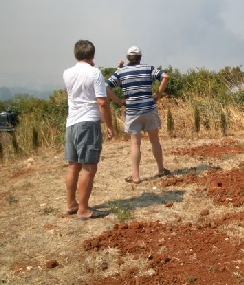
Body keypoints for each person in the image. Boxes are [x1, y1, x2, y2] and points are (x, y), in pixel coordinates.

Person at [63, 40, 114, 219]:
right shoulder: (95, 73)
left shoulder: (67, 73)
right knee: (89, 167)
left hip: (71, 124)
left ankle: (71, 204)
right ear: (92, 55)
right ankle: (83, 209)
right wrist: (109, 125)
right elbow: (102, 101)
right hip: (88, 122)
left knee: (73, 165)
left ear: (76, 54)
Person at [106, 46, 170, 184]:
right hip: (149, 108)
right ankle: (160, 170)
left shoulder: (121, 72)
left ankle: (136, 177)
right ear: (140, 57)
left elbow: (106, 86)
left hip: (132, 110)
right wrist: (158, 94)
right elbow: (165, 77)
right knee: (155, 141)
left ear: (128, 58)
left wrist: (118, 100)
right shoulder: (148, 68)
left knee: (135, 144)